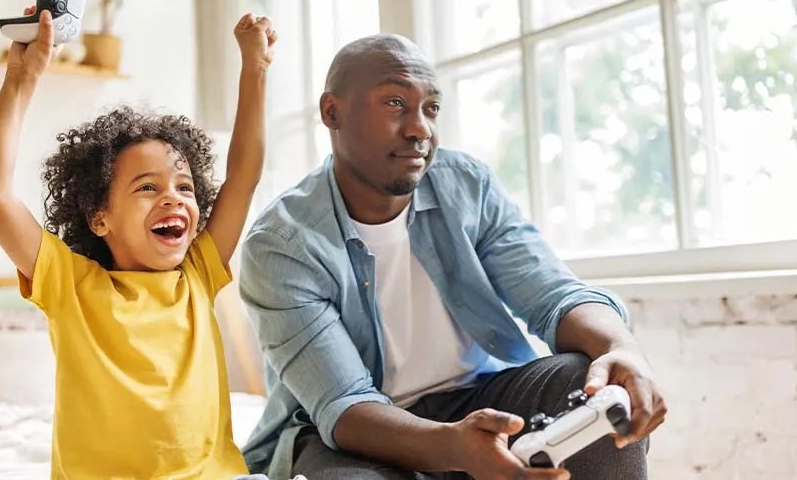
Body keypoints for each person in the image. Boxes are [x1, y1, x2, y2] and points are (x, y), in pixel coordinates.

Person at [237, 33, 667, 480]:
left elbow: (554, 297)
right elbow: (344, 406)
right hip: (361, 431)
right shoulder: (281, 245)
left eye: (431, 108)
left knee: (589, 377)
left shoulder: (465, 185)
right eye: (394, 103)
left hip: (479, 397)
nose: (420, 128)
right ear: (333, 112)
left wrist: (623, 348)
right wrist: (454, 448)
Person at [0, 7, 276, 479]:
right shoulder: (71, 286)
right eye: (147, 187)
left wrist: (254, 68)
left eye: (184, 187)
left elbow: (244, 177)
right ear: (99, 217)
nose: (173, 197)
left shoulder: (198, 273)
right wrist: (20, 79)